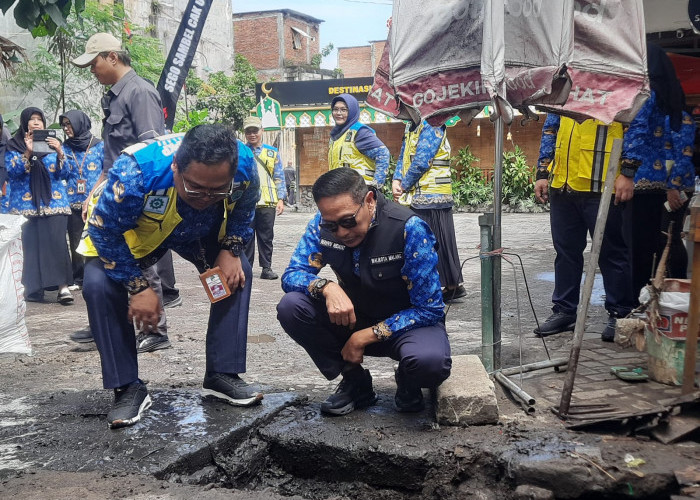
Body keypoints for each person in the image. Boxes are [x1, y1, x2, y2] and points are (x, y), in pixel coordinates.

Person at [78, 124, 261, 429]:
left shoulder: (242, 162)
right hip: (136, 230)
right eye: (195, 187)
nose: (205, 196)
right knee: (97, 285)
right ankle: (127, 386)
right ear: (175, 166)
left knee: (237, 274)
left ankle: (221, 372)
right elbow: (104, 231)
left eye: (217, 189)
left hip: (199, 229)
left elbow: (245, 205)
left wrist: (231, 247)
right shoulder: (135, 174)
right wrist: (138, 287)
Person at [277, 168, 451, 416]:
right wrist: (326, 287)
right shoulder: (321, 225)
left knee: (429, 363)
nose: (341, 232)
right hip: (352, 318)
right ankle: (355, 382)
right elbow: (292, 273)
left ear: (369, 201)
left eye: (348, 221)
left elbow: (430, 308)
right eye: (331, 224)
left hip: (406, 326)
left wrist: (365, 336)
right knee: (291, 306)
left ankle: (408, 379)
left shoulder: (409, 228)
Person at [72, 32, 181, 352]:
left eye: (94, 64)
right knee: (106, 255)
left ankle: (156, 331)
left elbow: (152, 149)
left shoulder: (140, 92)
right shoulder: (114, 95)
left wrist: (144, 200)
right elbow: (113, 151)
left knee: (140, 258)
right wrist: (97, 189)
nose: (92, 71)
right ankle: (107, 320)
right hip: (113, 187)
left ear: (112, 57)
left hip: (138, 190)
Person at [534, 114, 636, 342]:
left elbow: (634, 128)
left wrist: (628, 171)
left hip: (602, 183)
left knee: (611, 252)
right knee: (565, 252)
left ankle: (620, 312)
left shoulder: (614, 82)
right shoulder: (562, 86)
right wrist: (543, 171)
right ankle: (565, 311)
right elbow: (551, 129)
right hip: (563, 183)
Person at [622, 44, 694, 301]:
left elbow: (681, 153)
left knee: (662, 241)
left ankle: (659, 294)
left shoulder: (653, 98)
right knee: (657, 242)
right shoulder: (664, 100)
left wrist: (673, 185)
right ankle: (654, 293)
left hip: (652, 183)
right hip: (656, 182)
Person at [4, 107, 74, 304]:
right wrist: (27, 151)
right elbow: (12, 172)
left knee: (57, 244)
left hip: (55, 203)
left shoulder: (54, 144)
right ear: (25, 123)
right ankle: (33, 289)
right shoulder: (14, 145)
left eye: (39, 120)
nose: (36, 122)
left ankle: (63, 288)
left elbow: (65, 174)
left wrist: (60, 152)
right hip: (25, 206)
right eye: (32, 119)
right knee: (30, 247)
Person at [392, 119, 466, 302]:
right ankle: (450, 286)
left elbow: (422, 161)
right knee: (435, 242)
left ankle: (444, 287)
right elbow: (403, 155)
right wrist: (396, 179)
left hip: (432, 194)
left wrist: (404, 185)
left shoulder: (433, 125)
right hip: (419, 195)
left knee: (432, 243)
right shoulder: (411, 127)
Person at [59, 110, 104, 288]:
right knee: (76, 239)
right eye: (64, 125)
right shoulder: (64, 147)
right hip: (72, 200)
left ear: (80, 123)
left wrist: (93, 194)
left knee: (96, 237)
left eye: (69, 124)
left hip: (95, 201)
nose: (66, 128)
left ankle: (99, 273)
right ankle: (79, 276)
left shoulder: (100, 145)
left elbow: (106, 170)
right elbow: (61, 173)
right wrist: (59, 154)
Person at [243, 116, 286, 280]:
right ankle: (246, 268)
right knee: (246, 236)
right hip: (246, 202)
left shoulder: (272, 152)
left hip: (267, 202)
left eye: (255, 130)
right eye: (248, 131)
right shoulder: (242, 152)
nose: (252, 134)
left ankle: (266, 268)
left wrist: (280, 199)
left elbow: (279, 177)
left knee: (266, 237)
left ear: (262, 131)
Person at [328, 93, 390, 188]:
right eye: (335, 109)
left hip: (359, 190)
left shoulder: (360, 132)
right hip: (342, 189)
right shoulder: (335, 135)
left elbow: (383, 154)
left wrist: (376, 186)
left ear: (352, 111)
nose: (338, 113)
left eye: (344, 110)